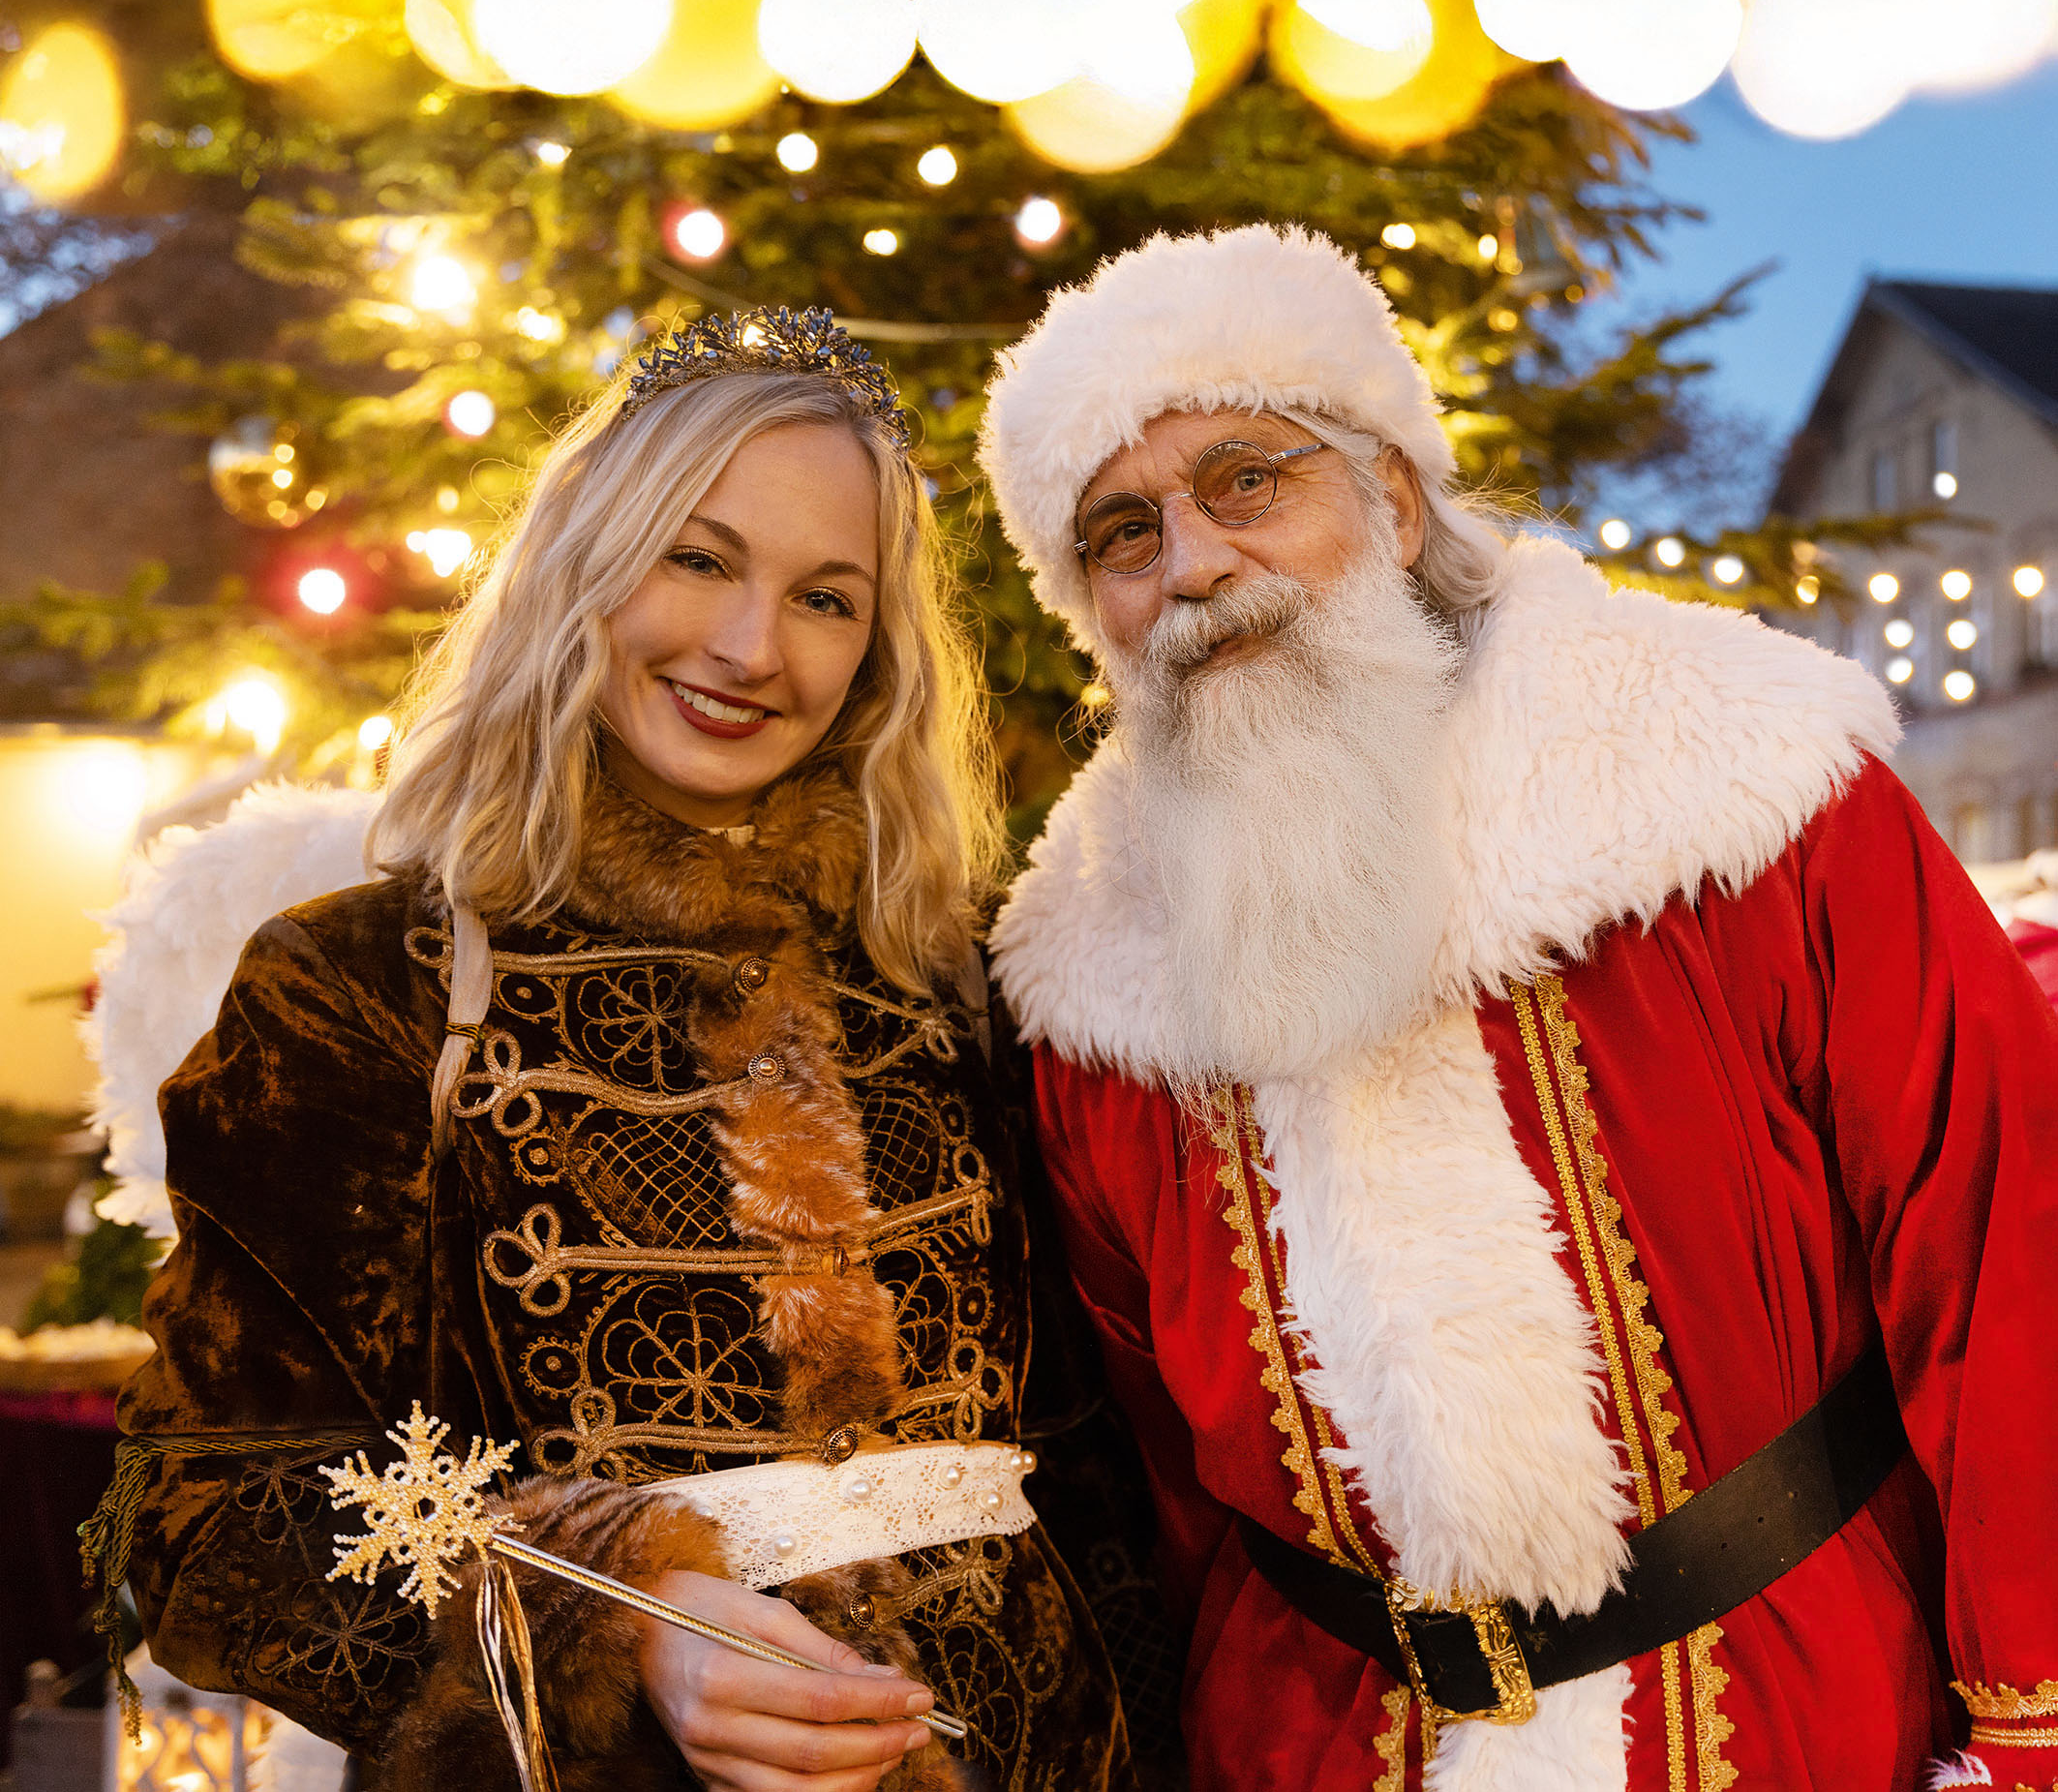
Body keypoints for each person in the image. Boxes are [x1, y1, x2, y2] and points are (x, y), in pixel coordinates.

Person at [978, 224, 2058, 1791]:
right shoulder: (1090, 979)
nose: (1193, 561)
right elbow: (1162, 1479)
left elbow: (2005, 1263)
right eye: (1122, 532)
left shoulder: (1744, 798)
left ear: (1395, 494)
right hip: (1316, 1748)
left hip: (1800, 1713)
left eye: (1248, 479)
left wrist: (2032, 1734)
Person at [89, 306, 1137, 1792]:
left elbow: (1098, 1480)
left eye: (827, 597)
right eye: (697, 556)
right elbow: (213, 1512)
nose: (749, 647)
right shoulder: (359, 985)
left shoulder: (961, 976)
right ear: (584, 563)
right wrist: (620, 1625)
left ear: (880, 653)